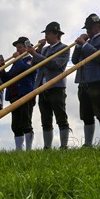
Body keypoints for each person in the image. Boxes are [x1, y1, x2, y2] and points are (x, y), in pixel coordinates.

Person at [72, 14, 100, 146]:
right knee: (86, 114)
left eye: (90, 27)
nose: (88, 31)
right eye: (87, 28)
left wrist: (84, 44)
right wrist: (79, 46)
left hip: (99, 80)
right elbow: (74, 60)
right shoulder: (86, 43)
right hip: (84, 81)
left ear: (99, 26)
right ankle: (88, 144)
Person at [28, 21, 71, 149]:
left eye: (48, 33)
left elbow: (55, 64)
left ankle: (64, 146)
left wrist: (35, 54)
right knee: (45, 119)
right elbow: (34, 66)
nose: (46, 36)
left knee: (60, 116)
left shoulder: (64, 48)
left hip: (56, 87)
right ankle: (47, 147)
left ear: (56, 34)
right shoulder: (45, 49)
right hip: (42, 87)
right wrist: (38, 50)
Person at [0, 37, 37, 151]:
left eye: (20, 47)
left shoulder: (30, 59)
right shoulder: (16, 63)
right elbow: (7, 78)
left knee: (26, 122)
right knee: (15, 125)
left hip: (25, 94)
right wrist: (2, 67)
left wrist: (17, 59)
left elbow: (26, 70)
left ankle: (29, 149)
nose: (18, 50)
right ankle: (19, 149)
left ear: (26, 48)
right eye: (17, 48)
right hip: (14, 96)